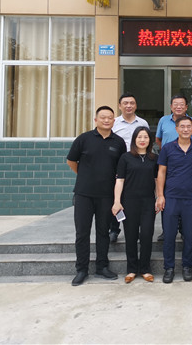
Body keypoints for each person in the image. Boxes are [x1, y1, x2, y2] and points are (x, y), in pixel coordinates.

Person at [66, 106, 126, 286]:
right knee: (82, 233)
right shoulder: (84, 139)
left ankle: (102, 266)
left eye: (110, 118)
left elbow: (121, 169)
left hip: (106, 195)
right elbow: (71, 161)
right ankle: (81, 269)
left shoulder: (119, 142)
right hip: (84, 194)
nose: (106, 120)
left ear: (114, 120)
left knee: (103, 232)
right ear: (96, 120)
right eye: (103, 117)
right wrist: (86, 176)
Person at [155, 116, 192, 283]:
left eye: (188, 126)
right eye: (182, 126)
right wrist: (160, 195)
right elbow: (161, 172)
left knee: (189, 234)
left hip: (190, 198)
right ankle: (168, 268)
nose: (185, 129)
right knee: (169, 235)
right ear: (176, 129)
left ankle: (187, 266)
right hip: (171, 197)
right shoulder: (168, 148)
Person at [111, 126, 158, 283]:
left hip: (148, 202)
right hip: (129, 202)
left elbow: (157, 180)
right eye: (139, 137)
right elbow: (120, 180)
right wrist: (117, 201)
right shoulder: (125, 158)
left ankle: (145, 269)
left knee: (146, 235)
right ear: (134, 139)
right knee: (130, 236)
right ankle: (131, 269)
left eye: (145, 137)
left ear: (150, 140)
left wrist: (159, 197)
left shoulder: (154, 158)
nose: (142, 140)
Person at [110, 93, 150, 243]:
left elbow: (147, 141)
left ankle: (136, 229)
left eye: (132, 103)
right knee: (117, 196)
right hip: (118, 164)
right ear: (120, 106)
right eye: (125, 103)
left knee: (134, 199)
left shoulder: (143, 123)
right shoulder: (114, 123)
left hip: (137, 165)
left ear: (136, 105)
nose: (129, 106)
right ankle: (114, 229)